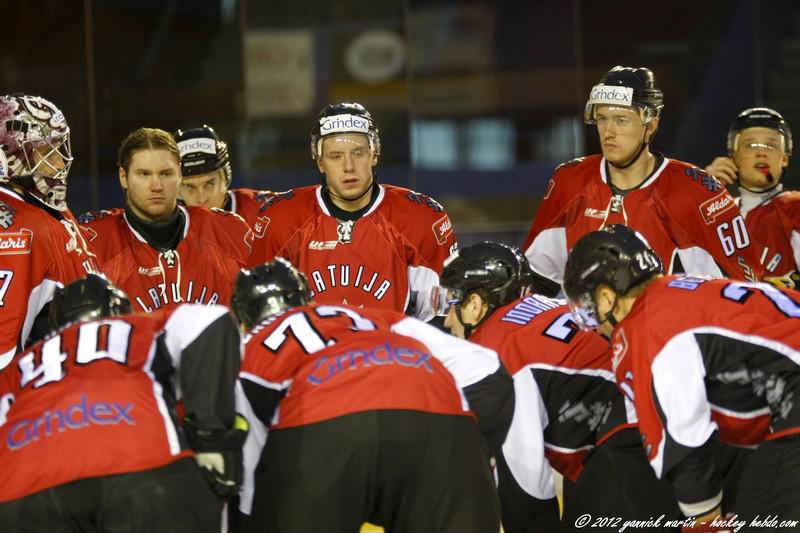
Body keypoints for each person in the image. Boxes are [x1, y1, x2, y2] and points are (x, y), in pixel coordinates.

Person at [232, 258, 513, 532]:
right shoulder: (366, 316)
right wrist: (470, 446)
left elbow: (251, 477)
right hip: (434, 413)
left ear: (244, 320)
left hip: (327, 424)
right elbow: (484, 366)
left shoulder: (249, 348)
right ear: (308, 300)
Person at [563, 224, 800, 528]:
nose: (591, 323)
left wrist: (705, 521)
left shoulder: (646, 328)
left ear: (607, 297)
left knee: (761, 514)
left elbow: (685, 446)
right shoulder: (683, 291)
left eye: (586, 307)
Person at [434, 242, 680, 532]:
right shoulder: (540, 313)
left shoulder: (495, 350)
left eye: (451, 301)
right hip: (666, 425)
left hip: (635, 440)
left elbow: (525, 484)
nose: (447, 319)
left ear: (475, 305)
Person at [0, 274, 247, 532]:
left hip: (22, 492)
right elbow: (210, 320)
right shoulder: (140, 325)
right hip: (139, 466)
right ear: (120, 309)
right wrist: (211, 438)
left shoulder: (20, 366)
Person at [522, 66, 763, 293]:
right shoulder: (570, 181)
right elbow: (536, 278)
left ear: (651, 125)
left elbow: (745, 287)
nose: (608, 131)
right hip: (588, 328)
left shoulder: (696, 191)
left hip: (665, 332)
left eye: (621, 120)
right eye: (602, 118)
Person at [247, 102, 457, 321]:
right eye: (336, 156)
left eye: (358, 153)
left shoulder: (420, 219)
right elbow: (259, 318)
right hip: (312, 354)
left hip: (389, 353)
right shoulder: (281, 220)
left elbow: (442, 319)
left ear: (374, 155)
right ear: (320, 161)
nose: (348, 166)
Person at [79, 127, 252, 312]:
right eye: (144, 174)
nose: (156, 186)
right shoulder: (92, 243)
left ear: (179, 174)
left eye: (166, 173)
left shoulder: (229, 232)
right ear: (124, 177)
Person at [0, 94, 101, 368]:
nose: (60, 164)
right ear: (9, 156)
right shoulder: (18, 229)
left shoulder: (46, 209)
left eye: (60, 149)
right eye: (46, 152)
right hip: (41, 395)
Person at [705, 108, 800, 286]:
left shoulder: (794, 208)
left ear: (784, 158)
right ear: (733, 156)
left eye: (771, 145)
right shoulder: (714, 211)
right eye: (750, 145)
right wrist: (701, 192)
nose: (761, 152)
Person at [174, 124, 275, 230]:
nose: (202, 198)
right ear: (177, 190)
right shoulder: (165, 231)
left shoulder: (265, 211)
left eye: (209, 184)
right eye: (190, 187)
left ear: (225, 178)